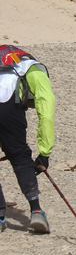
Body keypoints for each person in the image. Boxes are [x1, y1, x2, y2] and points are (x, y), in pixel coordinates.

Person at [0, 45, 56, 234]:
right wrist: (44, 153)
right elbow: (46, 112)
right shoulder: (33, 68)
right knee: (20, 157)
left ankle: (0, 217)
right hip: (10, 112)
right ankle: (36, 211)